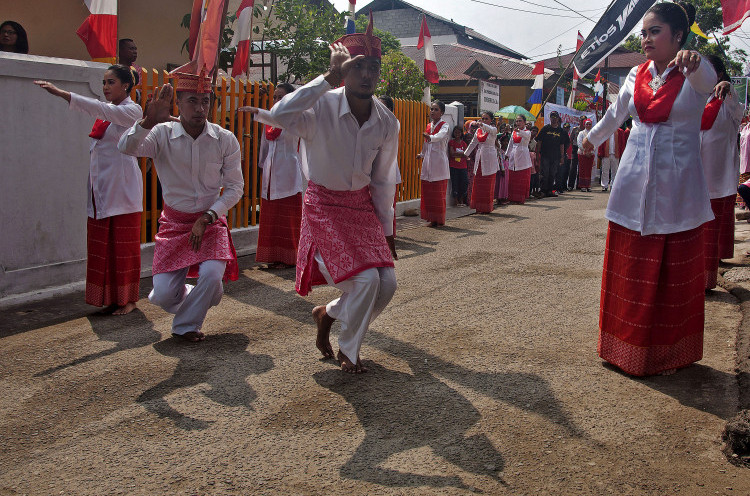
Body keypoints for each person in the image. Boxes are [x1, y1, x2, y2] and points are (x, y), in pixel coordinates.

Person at [581, 1, 717, 376]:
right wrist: (592, 139)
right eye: (643, 32)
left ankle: (671, 356)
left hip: (678, 188)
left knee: (674, 277)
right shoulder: (635, 74)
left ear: (678, 36)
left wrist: (695, 62)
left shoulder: (694, 72)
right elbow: (616, 113)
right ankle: (622, 350)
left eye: (654, 31)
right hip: (634, 182)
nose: (645, 39)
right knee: (630, 267)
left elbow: (706, 80)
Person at [265, 19, 400, 374]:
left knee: (387, 284)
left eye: (373, 67)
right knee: (366, 280)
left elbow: (384, 181)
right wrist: (326, 77)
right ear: (343, 70)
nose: (366, 75)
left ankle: (328, 313)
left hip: (360, 208)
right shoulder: (320, 106)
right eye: (357, 67)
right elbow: (279, 116)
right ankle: (349, 351)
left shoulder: (387, 121)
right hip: (323, 205)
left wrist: (387, 231)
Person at [118, 69, 244, 342]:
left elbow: (236, 188)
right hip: (174, 224)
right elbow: (126, 148)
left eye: (205, 101)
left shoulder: (225, 139)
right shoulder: (161, 134)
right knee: (162, 296)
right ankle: (199, 295)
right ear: (179, 103)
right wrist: (146, 122)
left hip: (210, 223)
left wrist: (209, 216)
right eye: (192, 101)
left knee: (211, 276)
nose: (200, 109)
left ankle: (185, 326)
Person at [34, 65, 142, 315]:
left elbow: (100, 107)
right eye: (104, 82)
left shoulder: (131, 110)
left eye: (111, 82)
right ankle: (107, 297)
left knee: (123, 247)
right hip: (101, 190)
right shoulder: (107, 114)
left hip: (122, 190)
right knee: (102, 244)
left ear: (126, 85)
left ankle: (128, 299)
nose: (105, 87)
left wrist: (64, 94)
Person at [238, 83, 305, 268]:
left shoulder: (294, 118)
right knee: (271, 216)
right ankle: (273, 256)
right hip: (271, 173)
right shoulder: (268, 122)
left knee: (287, 216)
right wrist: (263, 167)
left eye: (281, 97)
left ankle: (289, 257)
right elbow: (264, 149)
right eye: (274, 97)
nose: (276, 100)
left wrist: (258, 111)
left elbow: (282, 122)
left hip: (288, 172)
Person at [700, 55, 743, 289]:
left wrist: (730, 90)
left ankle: (706, 283)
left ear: (717, 75)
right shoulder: (697, 98)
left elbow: (738, 111)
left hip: (716, 180)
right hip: (693, 178)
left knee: (709, 232)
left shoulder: (727, 100)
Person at [417, 101, 450, 226]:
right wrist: (422, 154)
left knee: (438, 190)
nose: (432, 111)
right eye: (431, 109)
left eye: (436, 109)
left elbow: (441, 136)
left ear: (441, 112)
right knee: (428, 190)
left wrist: (431, 137)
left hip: (439, 162)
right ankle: (431, 218)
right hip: (428, 161)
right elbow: (426, 144)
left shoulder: (444, 125)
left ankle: (439, 219)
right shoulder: (429, 125)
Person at [465, 111, 500, 213]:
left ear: (491, 120)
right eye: (483, 118)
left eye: (486, 119)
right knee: (478, 183)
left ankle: (486, 207)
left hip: (489, 157)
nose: (484, 121)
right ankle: (479, 207)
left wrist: (481, 124)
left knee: (488, 183)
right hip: (480, 157)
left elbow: (488, 128)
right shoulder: (479, 131)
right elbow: (473, 142)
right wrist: (465, 154)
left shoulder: (493, 129)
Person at [536, 111, 569, 197]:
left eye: (555, 117)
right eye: (552, 117)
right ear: (550, 118)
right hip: (545, 155)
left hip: (556, 156)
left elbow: (562, 144)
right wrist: (537, 155)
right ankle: (543, 190)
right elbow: (539, 141)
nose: (554, 119)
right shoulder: (545, 129)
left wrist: (562, 157)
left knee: (552, 173)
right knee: (544, 173)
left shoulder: (561, 131)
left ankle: (550, 190)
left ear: (558, 119)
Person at [506, 114, 533, 204]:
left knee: (521, 178)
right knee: (513, 178)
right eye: (517, 121)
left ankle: (520, 198)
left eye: (520, 121)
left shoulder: (527, 132)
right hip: (514, 155)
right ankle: (512, 198)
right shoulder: (514, 132)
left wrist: (519, 131)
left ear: (524, 122)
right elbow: (510, 145)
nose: (518, 123)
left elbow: (525, 136)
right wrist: (507, 154)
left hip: (523, 155)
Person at [448, 126, 469, 206]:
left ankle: (461, 199)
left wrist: (460, 154)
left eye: (459, 132)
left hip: (463, 166)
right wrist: (462, 154)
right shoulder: (451, 142)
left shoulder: (464, 143)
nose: (457, 134)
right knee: (455, 183)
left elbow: (466, 154)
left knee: (464, 182)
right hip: (454, 166)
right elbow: (452, 154)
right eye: (456, 132)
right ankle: (456, 200)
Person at [576, 119, 595, 192]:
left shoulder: (593, 133)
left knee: (589, 170)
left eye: (589, 124)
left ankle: (588, 185)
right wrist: (585, 151)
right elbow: (579, 143)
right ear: (584, 125)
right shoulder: (581, 133)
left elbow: (596, 143)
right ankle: (582, 186)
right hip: (582, 154)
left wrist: (591, 151)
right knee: (582, 169)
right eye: (587, 124)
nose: (588, 125)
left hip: (590, 154)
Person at [568, 115, 585, 190]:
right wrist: (573, 147)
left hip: (583, 149)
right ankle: (570, 185)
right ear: (579, 121)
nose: (582, 122)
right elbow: (571, 139)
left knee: (581, 167)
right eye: (581, 120)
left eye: (584, 121)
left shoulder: (587, 130)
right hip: (575, 148)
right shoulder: (575, 129)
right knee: (573, 167)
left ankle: (579, 185)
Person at [495, 133, 510, 204]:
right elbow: (500, 160)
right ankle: (499, 198)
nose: (505, 143)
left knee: (505, 184)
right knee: (500, 183)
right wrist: (502, 169)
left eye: (507, 141)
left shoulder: (508, 151)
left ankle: (504, 197)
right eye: (504, 141)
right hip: (502, 168)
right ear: (501, 142)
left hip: (507, 167)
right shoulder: (499, 150)